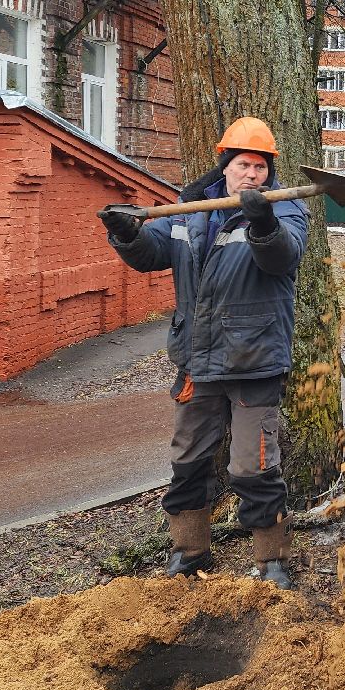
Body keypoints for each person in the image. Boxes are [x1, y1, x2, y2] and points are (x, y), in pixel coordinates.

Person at [99, 116, 309, 589]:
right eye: (242, 165)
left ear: (269, 171)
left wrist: (263, 223)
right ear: (225, 167)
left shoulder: (285, 208)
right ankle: (188, 553)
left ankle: (271, 560)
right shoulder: (191, 209)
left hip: (254, 360)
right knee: (188, 458)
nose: (250, 174)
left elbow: (282, 257)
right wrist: (128, 234)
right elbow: (154, 252)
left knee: (252, 465)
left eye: (259, 166)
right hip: (197, 359)